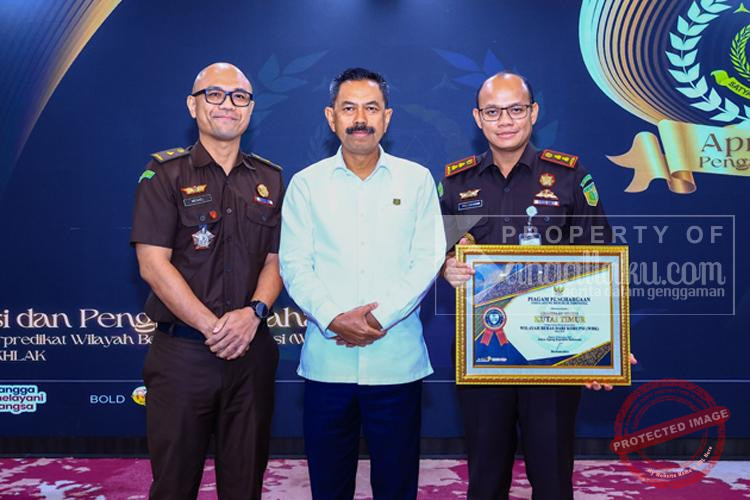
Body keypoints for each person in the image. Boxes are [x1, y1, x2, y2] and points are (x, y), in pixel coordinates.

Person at [440, 72, 636, 500]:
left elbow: (599, 257)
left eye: (515, 109)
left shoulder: (568, 175)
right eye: (493, 111)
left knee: (552, 477)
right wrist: (446, 267)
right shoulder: (456, 183)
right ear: (477, 118)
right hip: (483, 350)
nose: (505, 120)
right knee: (485, 477)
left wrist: (606, 345)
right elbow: (435, 253)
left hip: (553, 351)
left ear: (533, 113)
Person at [279, 67, 445, 499]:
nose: (360, 119)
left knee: (396, 485)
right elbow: (295, 264)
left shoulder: (416, 180)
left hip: (396, 362)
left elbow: (427, 259)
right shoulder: (306, 185)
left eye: (371, 108)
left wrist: (377, 319)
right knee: (329, 486)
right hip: (327, 362)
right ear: (330, 117)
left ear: (386, 118)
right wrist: (334, 318)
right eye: (348, 108)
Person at [131, 62, 284, 500]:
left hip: (251, 353)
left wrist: (253, 314)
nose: (227, 105)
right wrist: (213, 328)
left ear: (250, 109)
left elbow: (276, 260)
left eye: (239, 97)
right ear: (192, 105)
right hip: (183, 357)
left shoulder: (270, 178)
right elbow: (153, 264)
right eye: (214, 94)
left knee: (245, 485)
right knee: (174, 485)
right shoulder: (164, 174)